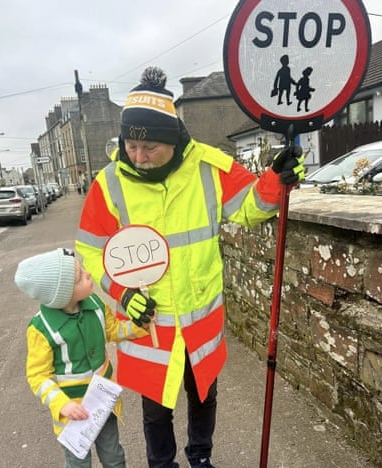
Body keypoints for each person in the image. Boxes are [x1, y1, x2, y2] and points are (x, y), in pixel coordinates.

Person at [75, 67, 305, 468]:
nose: (138, 157)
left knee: (204, 396)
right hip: (147, 323)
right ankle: (162, 465)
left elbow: (251, 207)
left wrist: (276, 181)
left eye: (149, 148)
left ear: (173, 140)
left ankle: (201, 458)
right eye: (130, 145)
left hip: (200, 316)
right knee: (154, 409)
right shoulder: (108, 183)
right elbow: (90, 252)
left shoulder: (210, 167)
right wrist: (121, 294)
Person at [14, 247, 149, 468]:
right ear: (62, 294)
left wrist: (138, 326)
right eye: (79, 277)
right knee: (78, 464)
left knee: (114, 457)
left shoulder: (95, 305)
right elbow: (38, 376)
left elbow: (112, 330)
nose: (88, 275)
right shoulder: (42, 329)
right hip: (72, 414)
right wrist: (61, 404)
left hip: (102, 403)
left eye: (83, 270)